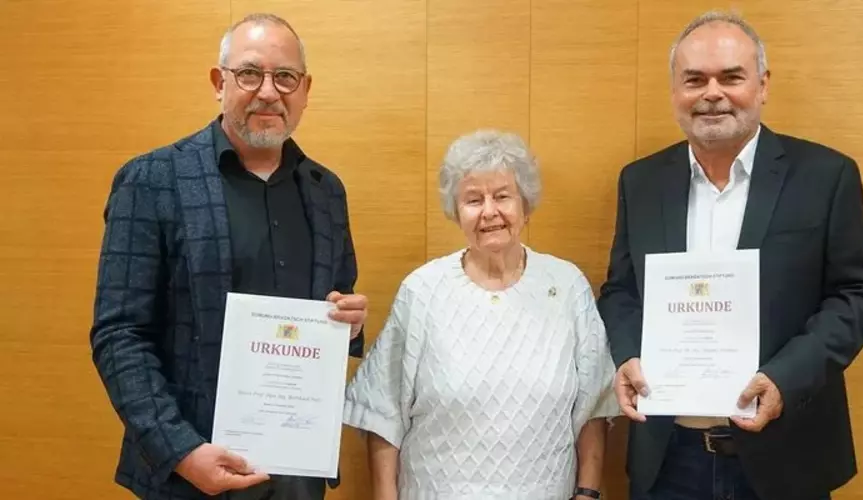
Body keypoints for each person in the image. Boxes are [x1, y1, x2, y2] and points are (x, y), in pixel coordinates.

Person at [597, 11, 863, 500]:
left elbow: (856, 294)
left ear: (762, 85)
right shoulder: (641, 181)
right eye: (694, 79)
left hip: (785, 454)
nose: (713, 93)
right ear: (675, 90)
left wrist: (785, 378)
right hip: (668, 456)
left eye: (731, 77)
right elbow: (621, 290)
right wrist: (627, 354)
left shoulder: (826, 175)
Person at [89, 13, 368, 500]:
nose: (268, 92)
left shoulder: (327, 192)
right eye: (249, 73)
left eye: (285, 77)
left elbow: (331, 311)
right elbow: (119, 336)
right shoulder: (152, 180)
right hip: (188, 479)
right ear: (219, 82)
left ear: (304, 89)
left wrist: (350, 323)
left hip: (295, 478)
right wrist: (180, 451)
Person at [342, 129, 619, 500]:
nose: (490, 211)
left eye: (502, 196)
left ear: (525, 204)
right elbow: (382, 413)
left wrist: (587, 492)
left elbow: (595, 403)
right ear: (456, 211)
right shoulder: (422, 291)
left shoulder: (567, 286)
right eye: (473, 199)